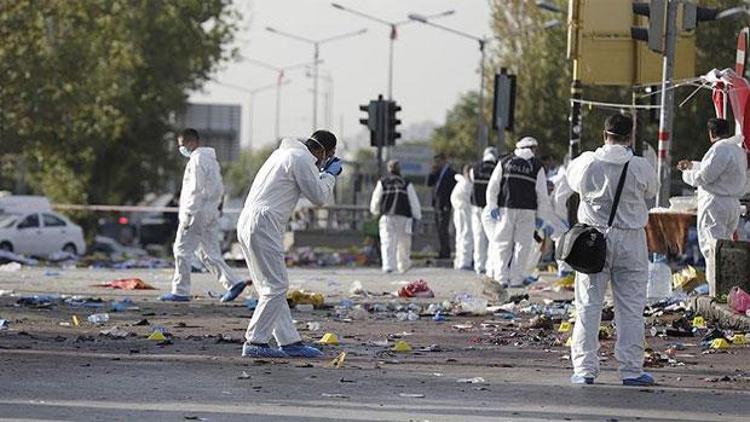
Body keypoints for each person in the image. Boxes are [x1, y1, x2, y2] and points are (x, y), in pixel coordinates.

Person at [566, 114, 658, 386]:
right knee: (630, 309)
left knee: (588, 306)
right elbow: (651, 191)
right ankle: (631, 370)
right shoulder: (640, 166)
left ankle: (584, 370)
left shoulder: (586, 163)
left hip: (593, 242)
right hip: (631, 241)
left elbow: (572, 184)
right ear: (630, 136)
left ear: (603, 134)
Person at [237, 130, 341, 358]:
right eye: (329, 155)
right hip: (263, 222)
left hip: (248, 221)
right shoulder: (301, 158)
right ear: (324, 151)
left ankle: (289, 341)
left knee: (270, 287)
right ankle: (255, 341)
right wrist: (330, 175)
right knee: (276, 287)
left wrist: (321, 173)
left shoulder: (282, 154)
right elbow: (319, 197)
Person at [161, 129, 250, 303]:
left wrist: (188, 214)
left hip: (196, 213)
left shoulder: (197, 160)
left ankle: (180, 290)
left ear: (191, 143)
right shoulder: (211, 160)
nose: (181, 149)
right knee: (208, 253)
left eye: (182, 145)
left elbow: (195, 190)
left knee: (181, 250)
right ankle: (233, 282)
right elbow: (218, 189)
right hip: (210, 212)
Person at [677, 118, 747, 296]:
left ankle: (716, 293)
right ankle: (728, 291)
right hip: (732, 204)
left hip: (715, 205)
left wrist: (687, 173)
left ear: (711, 134)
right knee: (725, 248)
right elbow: (717, 170)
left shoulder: (719, 149)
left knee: (712, 249)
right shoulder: (737, 151)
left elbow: (703, 178)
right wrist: (694, 165)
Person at [485, 136, 557, 288]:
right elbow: (542, 195)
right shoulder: (537, 166)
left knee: (502, 244)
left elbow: (493, 185)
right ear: (533, 149)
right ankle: (516, 279)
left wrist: (492, 205)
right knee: (522, 246)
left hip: (506, 208)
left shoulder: (505, 161)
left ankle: (500, 279)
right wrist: (541, 217)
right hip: (527, 211)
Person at [369, 159, 422, 273]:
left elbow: (376, 199)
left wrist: (375, 211)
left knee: (387, 241)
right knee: (404, 242)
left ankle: (388, 266)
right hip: (404, 217)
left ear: (389, 169)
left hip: (387, 216)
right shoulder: (406, 183)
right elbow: (413, 201)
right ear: (399, 169)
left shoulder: (383, 182)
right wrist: (417, 215)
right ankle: (403, 265)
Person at [469, 147, 498, 274]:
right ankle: (490, 265)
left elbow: (471, 181)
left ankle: (479, 265)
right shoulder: (497, 168)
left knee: (478, 236)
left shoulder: (475, 168)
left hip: (476, 206)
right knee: (492, 237)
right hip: (491, 207)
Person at [427, 153, 457, 259]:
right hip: (437, 204)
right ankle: (443, 250)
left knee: (443, 229)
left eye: (439, 161)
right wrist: (432, 171)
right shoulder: (437, 172)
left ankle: (445, 252)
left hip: (445, 204)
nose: (437, 163)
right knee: (439, 229)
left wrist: (449, 204)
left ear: (444, 161)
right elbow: (429, 183)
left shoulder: (451, 173)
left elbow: (453, 190)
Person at [450, 165, 474, 270]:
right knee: (466, 235)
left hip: (459, 212)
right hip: (465, 212)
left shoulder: (460, 183)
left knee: (460, 237)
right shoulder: (466, 184)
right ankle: (465, 261)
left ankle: (459, 260)